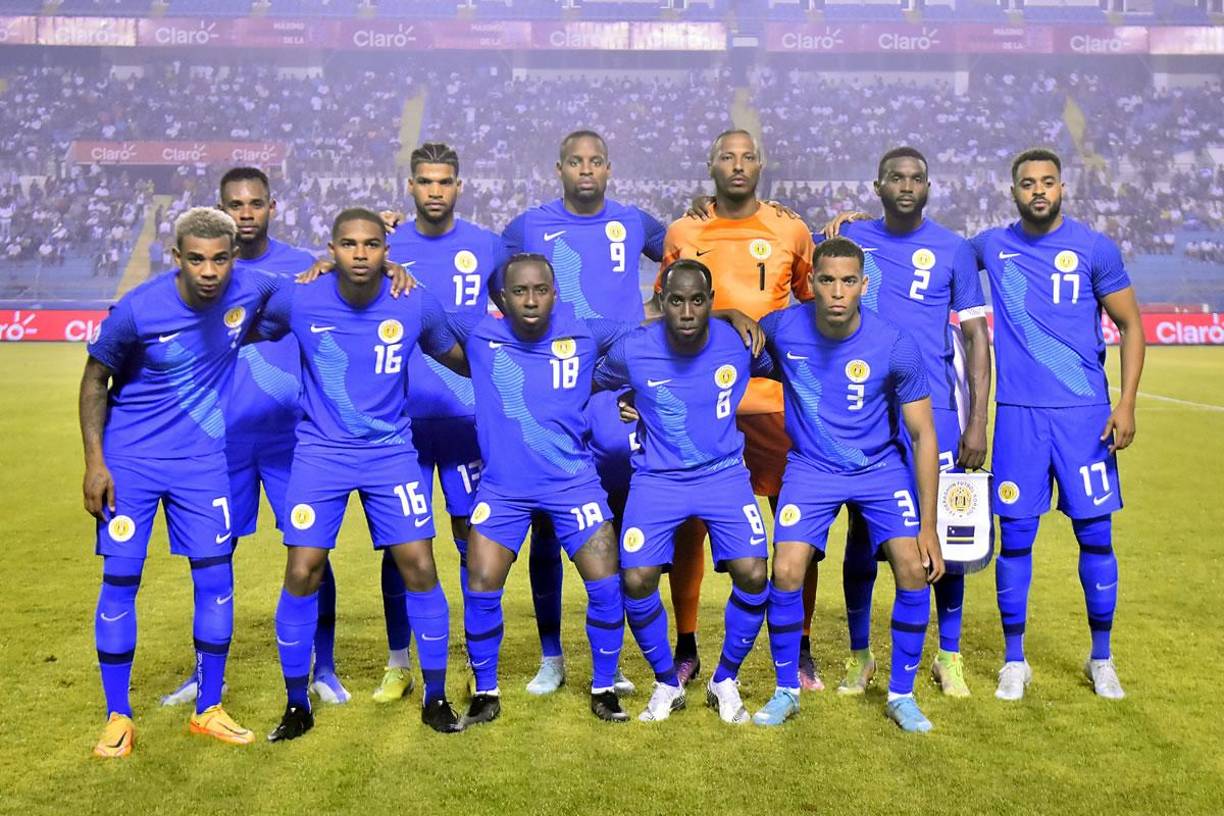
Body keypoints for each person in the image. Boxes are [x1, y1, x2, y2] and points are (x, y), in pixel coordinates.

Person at [257, 209, 466, 741]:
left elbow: (459, 354)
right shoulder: (300, 297)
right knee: (303, 569)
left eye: (371, 244)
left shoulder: (412, 300)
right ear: (331, 249)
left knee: (419, 564)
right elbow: (243, 310)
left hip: (390, 453)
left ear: (384, 252)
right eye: (347, 244)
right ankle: (296, 703)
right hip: (320, 453)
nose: (359, 253)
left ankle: (436, 695)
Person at [80, 207, 279, 757]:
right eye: (196, 259)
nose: (209, 270)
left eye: (219, 259)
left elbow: (312, 290)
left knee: (215, 580)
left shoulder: (252, 289)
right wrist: (96, 462)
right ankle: (117, 716)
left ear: (234, 258)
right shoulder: (139, 310)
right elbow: (96, 380)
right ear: (177, 258)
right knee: (121, 581)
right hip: (132, 464)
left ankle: (208, 707)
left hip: (203, 464)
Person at [159, 167, 342, 707]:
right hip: (221, 442)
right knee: (211, 555)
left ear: (272, 207)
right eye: (234, 204)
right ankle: (205, 673)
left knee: (313, 554)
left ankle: (323, 669)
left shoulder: (303, 269)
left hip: (293, 440)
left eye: (254, 203)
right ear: (219, 209)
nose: (245, 213)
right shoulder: (203, 273)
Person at [971, 148, 1145, 701]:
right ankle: (1014, 660)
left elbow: (1131, 327)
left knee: (1095, 536)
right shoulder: (992, 246)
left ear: (1063, 188)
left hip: (1085, 419)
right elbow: (931, 245)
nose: (1038, 191)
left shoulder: (1094, 248)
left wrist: (1127, 403)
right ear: (1014, 191)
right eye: (1028, 183)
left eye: (1047, 182)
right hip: (1019, 419)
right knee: (1016, 539)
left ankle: (1102, 658)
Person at [497, 130, 665, 696]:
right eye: (575, 162)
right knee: (545, 524)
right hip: (551, 390)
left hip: (613, 392)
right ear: (559, 168)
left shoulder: (634, 220)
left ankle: (609, 658)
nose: (586, 170)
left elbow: (691, 255)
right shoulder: (527, 226)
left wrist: (647, 315)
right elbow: (492, 288)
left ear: (609, 169)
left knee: (610, 525)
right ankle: (551, 656)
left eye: (595, 162)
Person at [820, 147, 992, 697]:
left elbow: (975, 337)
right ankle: (859, 656)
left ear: (929, 186)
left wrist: (976, 421)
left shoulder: (954, 249)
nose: (907, 185)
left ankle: (949, 655)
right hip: (865, 413)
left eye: (917, 177)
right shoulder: (854, 240)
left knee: (943, 536)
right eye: (896, 177)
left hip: (935, 410)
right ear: (877, 185)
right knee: (862, 539)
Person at [755, 237, 945, 732]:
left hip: (879, 468)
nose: (837, 291)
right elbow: (724, 353)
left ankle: (901, 696)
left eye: (847, 281)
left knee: (911, 566)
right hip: (812, 468)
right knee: (788, 569)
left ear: (863, 284)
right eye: (827, 280)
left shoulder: (894, 343)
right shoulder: (782, 327)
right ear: (812, 283)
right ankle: (785, 690)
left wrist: (929, 524)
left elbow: (924, 434)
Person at [656, 129, 817, 688]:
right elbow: (663, 306)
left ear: (763, 164)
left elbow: (814, 297)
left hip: (772, 404)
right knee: (688, 528)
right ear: (710, 165)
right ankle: (687, 644)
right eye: (727, 156)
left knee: (795, 527)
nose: (738, 165)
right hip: (702, 406)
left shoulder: (790, 228)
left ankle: (799, 647)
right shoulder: (684, 230)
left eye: (748, 156)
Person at [449, 253, 637, 726]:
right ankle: (486, 692)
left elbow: (656, 325)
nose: (531, 300)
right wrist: (387, 268)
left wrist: (728, 315)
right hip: (503, 489)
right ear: (502, 298)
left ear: (555, 293)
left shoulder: (585, 331)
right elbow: (421, 313)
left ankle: (603, 688)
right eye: (519, 291)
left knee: (605, 583)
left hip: (573, 483)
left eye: (540, 290)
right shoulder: (478, 334)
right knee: (482, 584)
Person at [595, 259, 772, 724]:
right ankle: (666, 682)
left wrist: (736, 316)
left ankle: (724, 679)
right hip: (658, 479)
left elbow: (796, 360)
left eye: (698, 300)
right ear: (662, 302)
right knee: (635, 578)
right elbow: (591, 378)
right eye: (676, 300)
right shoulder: (634, 350)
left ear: (711, 303)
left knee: (754, 573)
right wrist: (623, 399)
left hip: (724, 475)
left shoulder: (739, 344)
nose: (688, 311)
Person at [372, 143, 505, 704]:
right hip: (399, 419)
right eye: (425, 181)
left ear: (458, 186)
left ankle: (479, 662)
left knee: (471, 540)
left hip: (469, 417)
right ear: (409, 186)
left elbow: (523, 308)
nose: (434, 190)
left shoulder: (487, 245)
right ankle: (398, 662)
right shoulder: (382, 246)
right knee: (400, 544)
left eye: (444, 181)